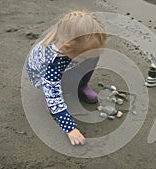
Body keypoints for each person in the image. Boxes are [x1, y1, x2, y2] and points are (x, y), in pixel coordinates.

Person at [26, 11, 106, 145]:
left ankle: (82, 86)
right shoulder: (54, 62)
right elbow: (54, 93)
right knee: (56, 90)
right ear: (68, 48)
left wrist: (89, 55)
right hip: (43, 77)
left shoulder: (71, 42)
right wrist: (70, 129)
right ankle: (49, 97)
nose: (90, 55)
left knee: (93, 57)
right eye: (84, 54)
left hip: (70, 62)